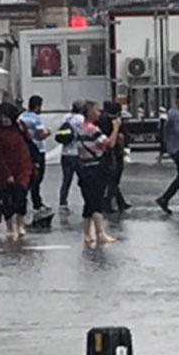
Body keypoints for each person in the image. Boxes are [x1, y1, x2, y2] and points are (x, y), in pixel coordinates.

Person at [74, 100, 119, 246]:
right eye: (96, 110)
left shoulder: (79, 128)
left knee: (88, 201)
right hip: (95, 168)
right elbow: (109, 143)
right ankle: (100, 233)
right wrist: (116, 128)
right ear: (89, 113)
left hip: (83, 167)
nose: (99, 113)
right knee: (96, 201)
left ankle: (87, 234)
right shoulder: (93, 129)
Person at [0, 102, 35, 239]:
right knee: (6, 199)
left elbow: (29, 143)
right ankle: (9, 226)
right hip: (5, 169)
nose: (4, 119)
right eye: (2, 117)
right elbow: (0, 155)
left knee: (21, 196)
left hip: (23, 168)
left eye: (7, 116)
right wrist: (7, 174)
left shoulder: (20, 128)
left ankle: (20, 224)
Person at [98, 100, 132, 213]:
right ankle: (107, 202)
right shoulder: (114, 122)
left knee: (112, 179)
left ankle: (120, 201)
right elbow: (123, 136)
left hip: (107, 152)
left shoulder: (101, 119)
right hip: (114, 152)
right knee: (114, 179)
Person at [19, 95, 49, 214]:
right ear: (37, 106)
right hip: (37, 150)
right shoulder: (36, 118)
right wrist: (48, 133)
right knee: (38, 177)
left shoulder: (21, 116)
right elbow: (41, 135)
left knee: (27, 175)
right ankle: (37, 202)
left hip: (25, 150)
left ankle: (24, 200)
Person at [57, 101, 86, 209]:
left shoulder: (66, 117)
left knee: (66, 179)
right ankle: (87, 199)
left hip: (65, 153)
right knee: (83, 178)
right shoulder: (80, 119)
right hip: (77, 153)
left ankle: (63, 201)